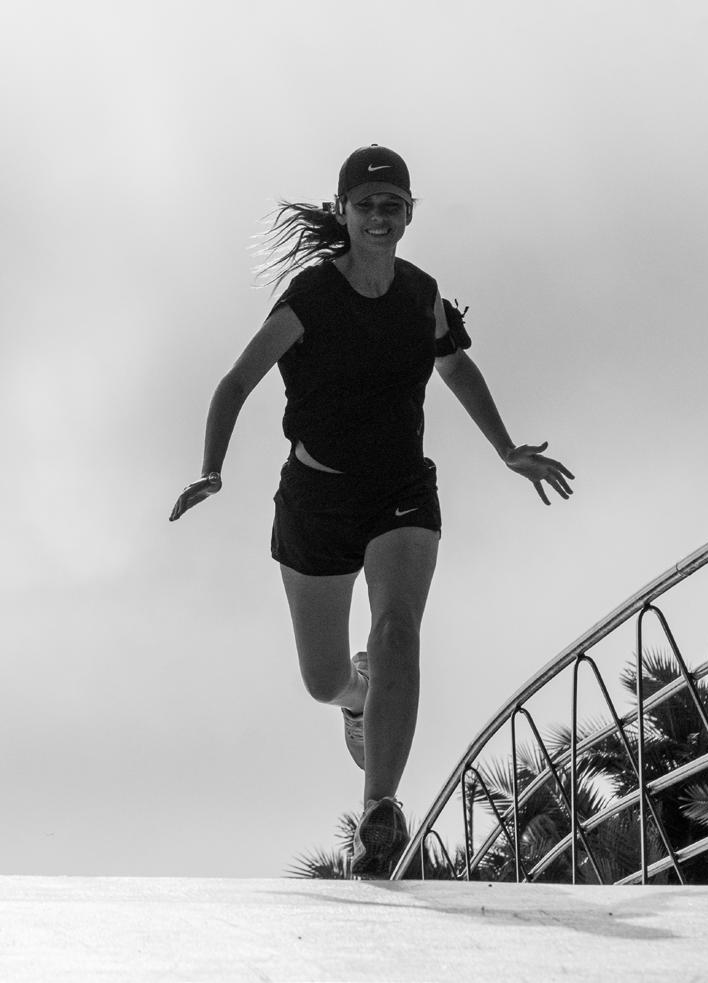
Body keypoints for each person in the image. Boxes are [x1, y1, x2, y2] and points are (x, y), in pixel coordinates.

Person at [169, 144, 574, 878]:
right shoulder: (310, 298)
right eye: (365, 205)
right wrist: (211, 470)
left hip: (401, 492)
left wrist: (507, 448)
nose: (379, 217)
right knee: (322, 680)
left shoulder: (422, 294)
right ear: (343, 212)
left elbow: (454, 365)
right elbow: (235, 382)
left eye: (393, 206)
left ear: (410, 213)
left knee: (396, 631)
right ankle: (356, 699)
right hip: (316, 500)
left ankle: (378, 811)